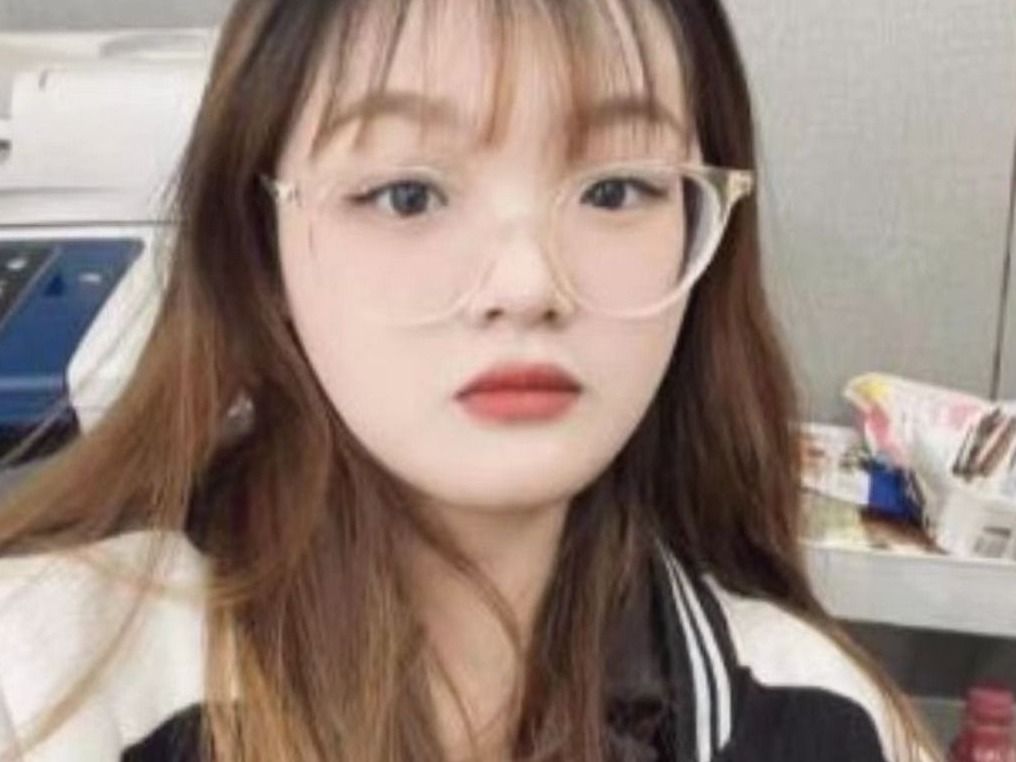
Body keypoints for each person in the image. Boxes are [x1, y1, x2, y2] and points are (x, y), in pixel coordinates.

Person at [0, 0, 943, 760]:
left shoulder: (830, 722)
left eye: (616, 190)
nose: (526, 287)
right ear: (261, 245)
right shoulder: (46, 686)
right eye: (406, 194)